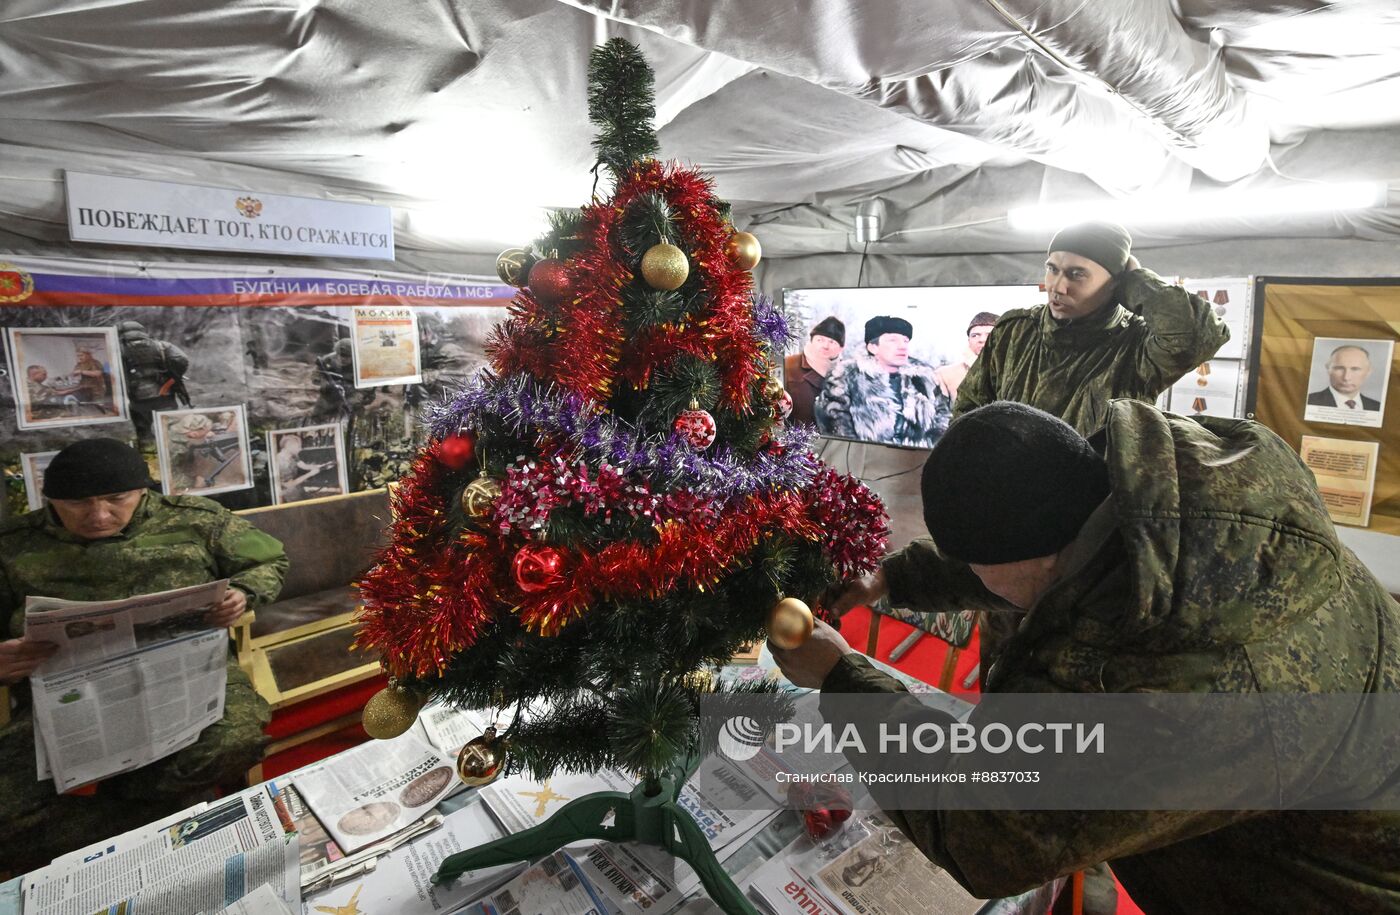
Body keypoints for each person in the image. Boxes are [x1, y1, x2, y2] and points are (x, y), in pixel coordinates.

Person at [775, 401, 1400, 913]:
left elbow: (983, 833)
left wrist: (841, 679)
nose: (973, 575)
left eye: (975, 566)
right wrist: (893, 577)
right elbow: (1052, 553)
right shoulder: (1173, 505)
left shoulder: (1164, 687)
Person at [0, 438, 288, 872]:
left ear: (142, 491)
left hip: (185, 675)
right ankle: (148, 828)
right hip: (68, 693)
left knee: (234, 741)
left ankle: (121, 829)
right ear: (50, 500)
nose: (99, 516)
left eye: (117, 500)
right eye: (77, 504)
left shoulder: (194, 521)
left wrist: (243, 594)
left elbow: (271, 561)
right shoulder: (13, 545)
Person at [955, 222, 1229, 435]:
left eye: (1077, 274)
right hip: (1007, 491)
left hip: (1093, 500)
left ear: (1115, 283)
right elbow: (969, 409)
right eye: (1052, 269)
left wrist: (1137, 281)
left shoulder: (1135, 345)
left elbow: (1199, 336)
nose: (1058, 286)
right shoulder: (1015, 331)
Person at [815, 316, 950, 447]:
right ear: (873, 347)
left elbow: (943, 417)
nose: (902, 346)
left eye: (905, 341)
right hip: (864, 463)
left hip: (915, 462)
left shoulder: (924, 378)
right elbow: (834, 423)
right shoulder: (846, 375)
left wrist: (928, 446)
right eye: (893, 340)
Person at [119, 320, 191, 440]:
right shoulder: (162, 346)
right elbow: (182, 359)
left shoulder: (118, 350)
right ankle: (171, 454)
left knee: (144, 432)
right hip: (164, 395)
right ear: (143, 331)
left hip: (137, 399)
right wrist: (173, 376)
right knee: (169, 428)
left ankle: (149, 457)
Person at [784, 316, 845, 425]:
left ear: (841, 348)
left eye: (832, 342)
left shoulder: (848, 376)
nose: (825, 346)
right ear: (811, 340)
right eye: (820, 339)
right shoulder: (788, 365)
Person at [932, 312, 998, 403]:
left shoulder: (1018, 374)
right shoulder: (945, 375)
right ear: (969, 340)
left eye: (989, 335)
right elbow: (940, 414)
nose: (982, 340)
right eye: (975, 335)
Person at [1307, 344, 1381, 411]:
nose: (1346, 377)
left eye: (1355, 369)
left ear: (1368, 372)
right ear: (1328, 369)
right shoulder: (1309, 401)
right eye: (1339, 368)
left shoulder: (1377, 407)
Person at [275, 433, 335, 503]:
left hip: (297, 486)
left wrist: (323, 466)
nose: (300, 449)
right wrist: (310, 474)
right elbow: (288, 485)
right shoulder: (280, 463)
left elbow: (304, 466)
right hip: (288, 492)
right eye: (298, 447)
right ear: (289, 446)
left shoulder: (293, 455)